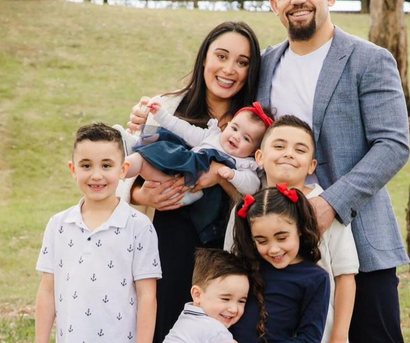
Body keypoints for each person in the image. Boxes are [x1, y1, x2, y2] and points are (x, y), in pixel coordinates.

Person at [257, 0, 410, 342]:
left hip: (358, 238)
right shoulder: (265, 64)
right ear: (275, 5)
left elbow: (392, 144)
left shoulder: (369, 60)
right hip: (279, 249)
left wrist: (330, 204)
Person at [117, 20, 262, 341]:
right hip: (169, 242)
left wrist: (216, 178)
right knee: (164, 325)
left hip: (224, 248)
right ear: (204, 60)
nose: (229, 69)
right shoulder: (166, 107)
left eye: (242, 62)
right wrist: (143, 195)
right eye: (221, 56)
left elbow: (261, 188)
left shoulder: (253, 124)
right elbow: (121, 171)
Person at [225, 115, 359, 343]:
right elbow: (230, 267)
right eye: (279, 146)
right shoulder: (246, 207)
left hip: (317, 332)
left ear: (311, 165)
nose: (288, 153)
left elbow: (345, 275)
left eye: (300, 149)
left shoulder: (326, 206)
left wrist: (339, 335)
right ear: (260, 156)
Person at [35, 123, 161, 343]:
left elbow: (147, 296)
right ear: (73, 170)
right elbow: (47, 291)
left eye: (106, 165)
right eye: (86, 166)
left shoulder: (139, 227)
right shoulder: (58, 225)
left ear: (123, 170)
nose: (96, 175)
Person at [230, 186, 331, 342]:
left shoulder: (316, 278)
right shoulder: (244, 265)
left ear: (299, 228)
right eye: (262, 241)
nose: (274, 249)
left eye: (282, 238)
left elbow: (309, 338)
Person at [119, 101, 273, 203]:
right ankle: (131, 150)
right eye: (234, 128)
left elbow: (252, 186)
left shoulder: (246, 163)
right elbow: (185, 130)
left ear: (255, 152)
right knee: (167, 138)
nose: (236, 137)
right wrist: (162, 115)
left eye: (246, 138)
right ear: (227, 124)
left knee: (175, 152)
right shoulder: (213, 136)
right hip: (175, 174)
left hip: (190, 189)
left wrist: (233, 175)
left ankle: (138, 146)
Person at [163, 248, 249, 343]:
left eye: (241, 301)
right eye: (225, 299)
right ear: (197, 295)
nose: (234, 309)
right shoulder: (216, 331)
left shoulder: (187, 316)